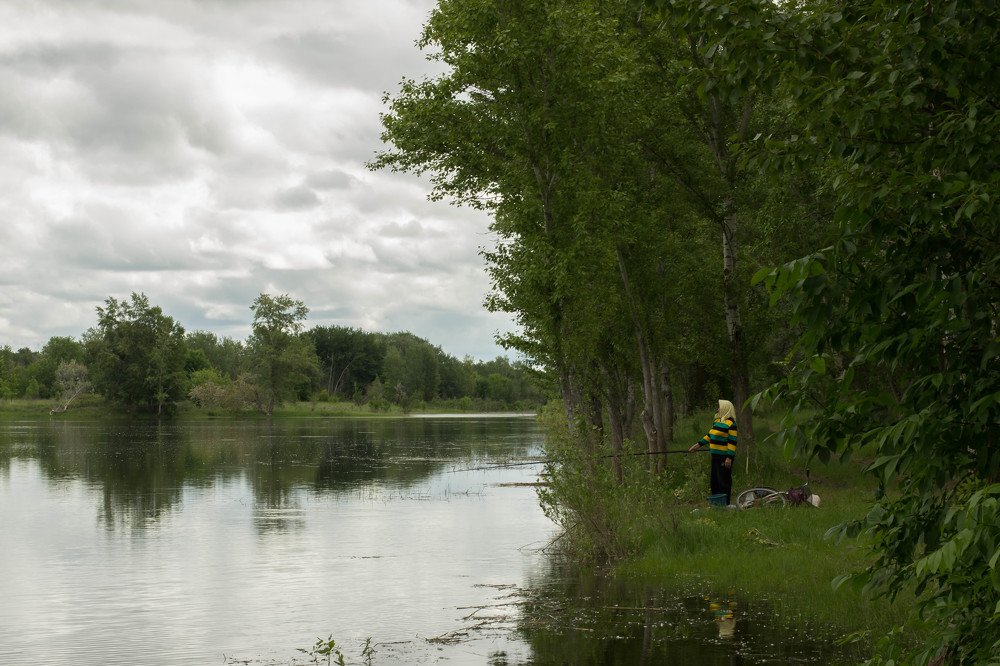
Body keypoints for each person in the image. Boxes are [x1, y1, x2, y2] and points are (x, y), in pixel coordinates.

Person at [688, 399, 738, 505]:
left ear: (725, 408)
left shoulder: (731, 424)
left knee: (723, 480)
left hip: (724, 457)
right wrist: (697, 445)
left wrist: (729, 458)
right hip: (715, 456)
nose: (717, 408)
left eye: (719, 407)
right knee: (714, 480)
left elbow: (732, 442)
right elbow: (709, 436)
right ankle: (716, 504)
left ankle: (726, 503)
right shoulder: (717, 421)